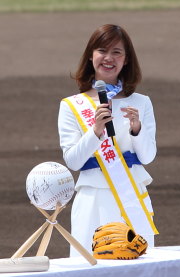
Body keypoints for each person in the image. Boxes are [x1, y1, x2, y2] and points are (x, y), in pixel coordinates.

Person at [57, 24, 158, 256]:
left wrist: (137, 129)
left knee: (140, 267)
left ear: (126, 60)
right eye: (102, 50)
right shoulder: (71, 105)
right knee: (89, 270)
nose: (109, 58)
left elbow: (148, 157)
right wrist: (95, 132)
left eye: (117, 52)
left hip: (132, 194)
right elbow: (73, 161)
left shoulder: (142, 102)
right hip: (93, 198)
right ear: (91, 56)